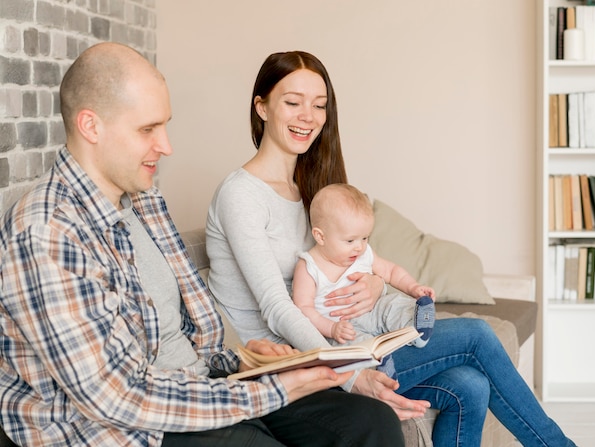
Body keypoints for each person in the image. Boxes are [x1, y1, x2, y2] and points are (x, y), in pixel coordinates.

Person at [0, 42, 406, 447]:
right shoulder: (46, 231)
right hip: (127, 427)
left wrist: (244, 360)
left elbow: (181, 340)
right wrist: (273, 390)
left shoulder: (142, 203)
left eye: (164, 126)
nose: (166, 145)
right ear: (91, 126)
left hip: (196, 382)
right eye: (147, 129)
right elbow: (117, 396)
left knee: (371, 422)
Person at [205, 50, 578, 446]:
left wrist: (376, 286)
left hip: (346, 342)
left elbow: (357, 262)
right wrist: (348, 374)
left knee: (467, 386)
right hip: (294, 360)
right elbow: (277, 308)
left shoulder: (310, 190)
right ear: (261, 107)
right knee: (477, 335)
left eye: (319, 105)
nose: (307, 116)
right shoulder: (241, 195)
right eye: (292, 102)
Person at [292, 183, 435, 348]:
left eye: (365, 238)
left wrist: (414, 287)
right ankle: (378, 362)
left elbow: (391, 271)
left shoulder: (363, 253)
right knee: (352, 345)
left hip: (372, 311)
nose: (359, 247)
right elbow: (303, 309)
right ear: (320, 237)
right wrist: (331, 328)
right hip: (339, 327)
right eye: (350, 240)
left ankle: (416, 328)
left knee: (393, 305)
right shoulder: (309, 267)